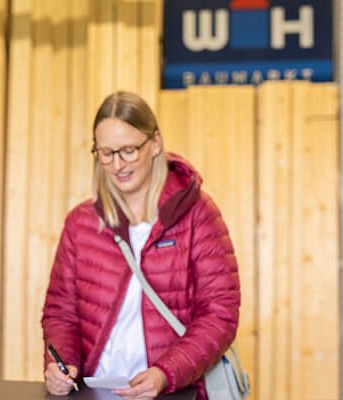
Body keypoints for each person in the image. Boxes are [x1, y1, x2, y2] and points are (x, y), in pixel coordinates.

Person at [41, 91, 240, 400]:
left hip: (175, 392)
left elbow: (220, 313)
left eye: (129, 150)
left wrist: (166, 372)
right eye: (106, 153)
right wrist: (61, 364)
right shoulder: (80, 224)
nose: (118, 164)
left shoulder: (197, 213)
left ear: (155, 143)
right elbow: (61, 314)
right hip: (98, 393)